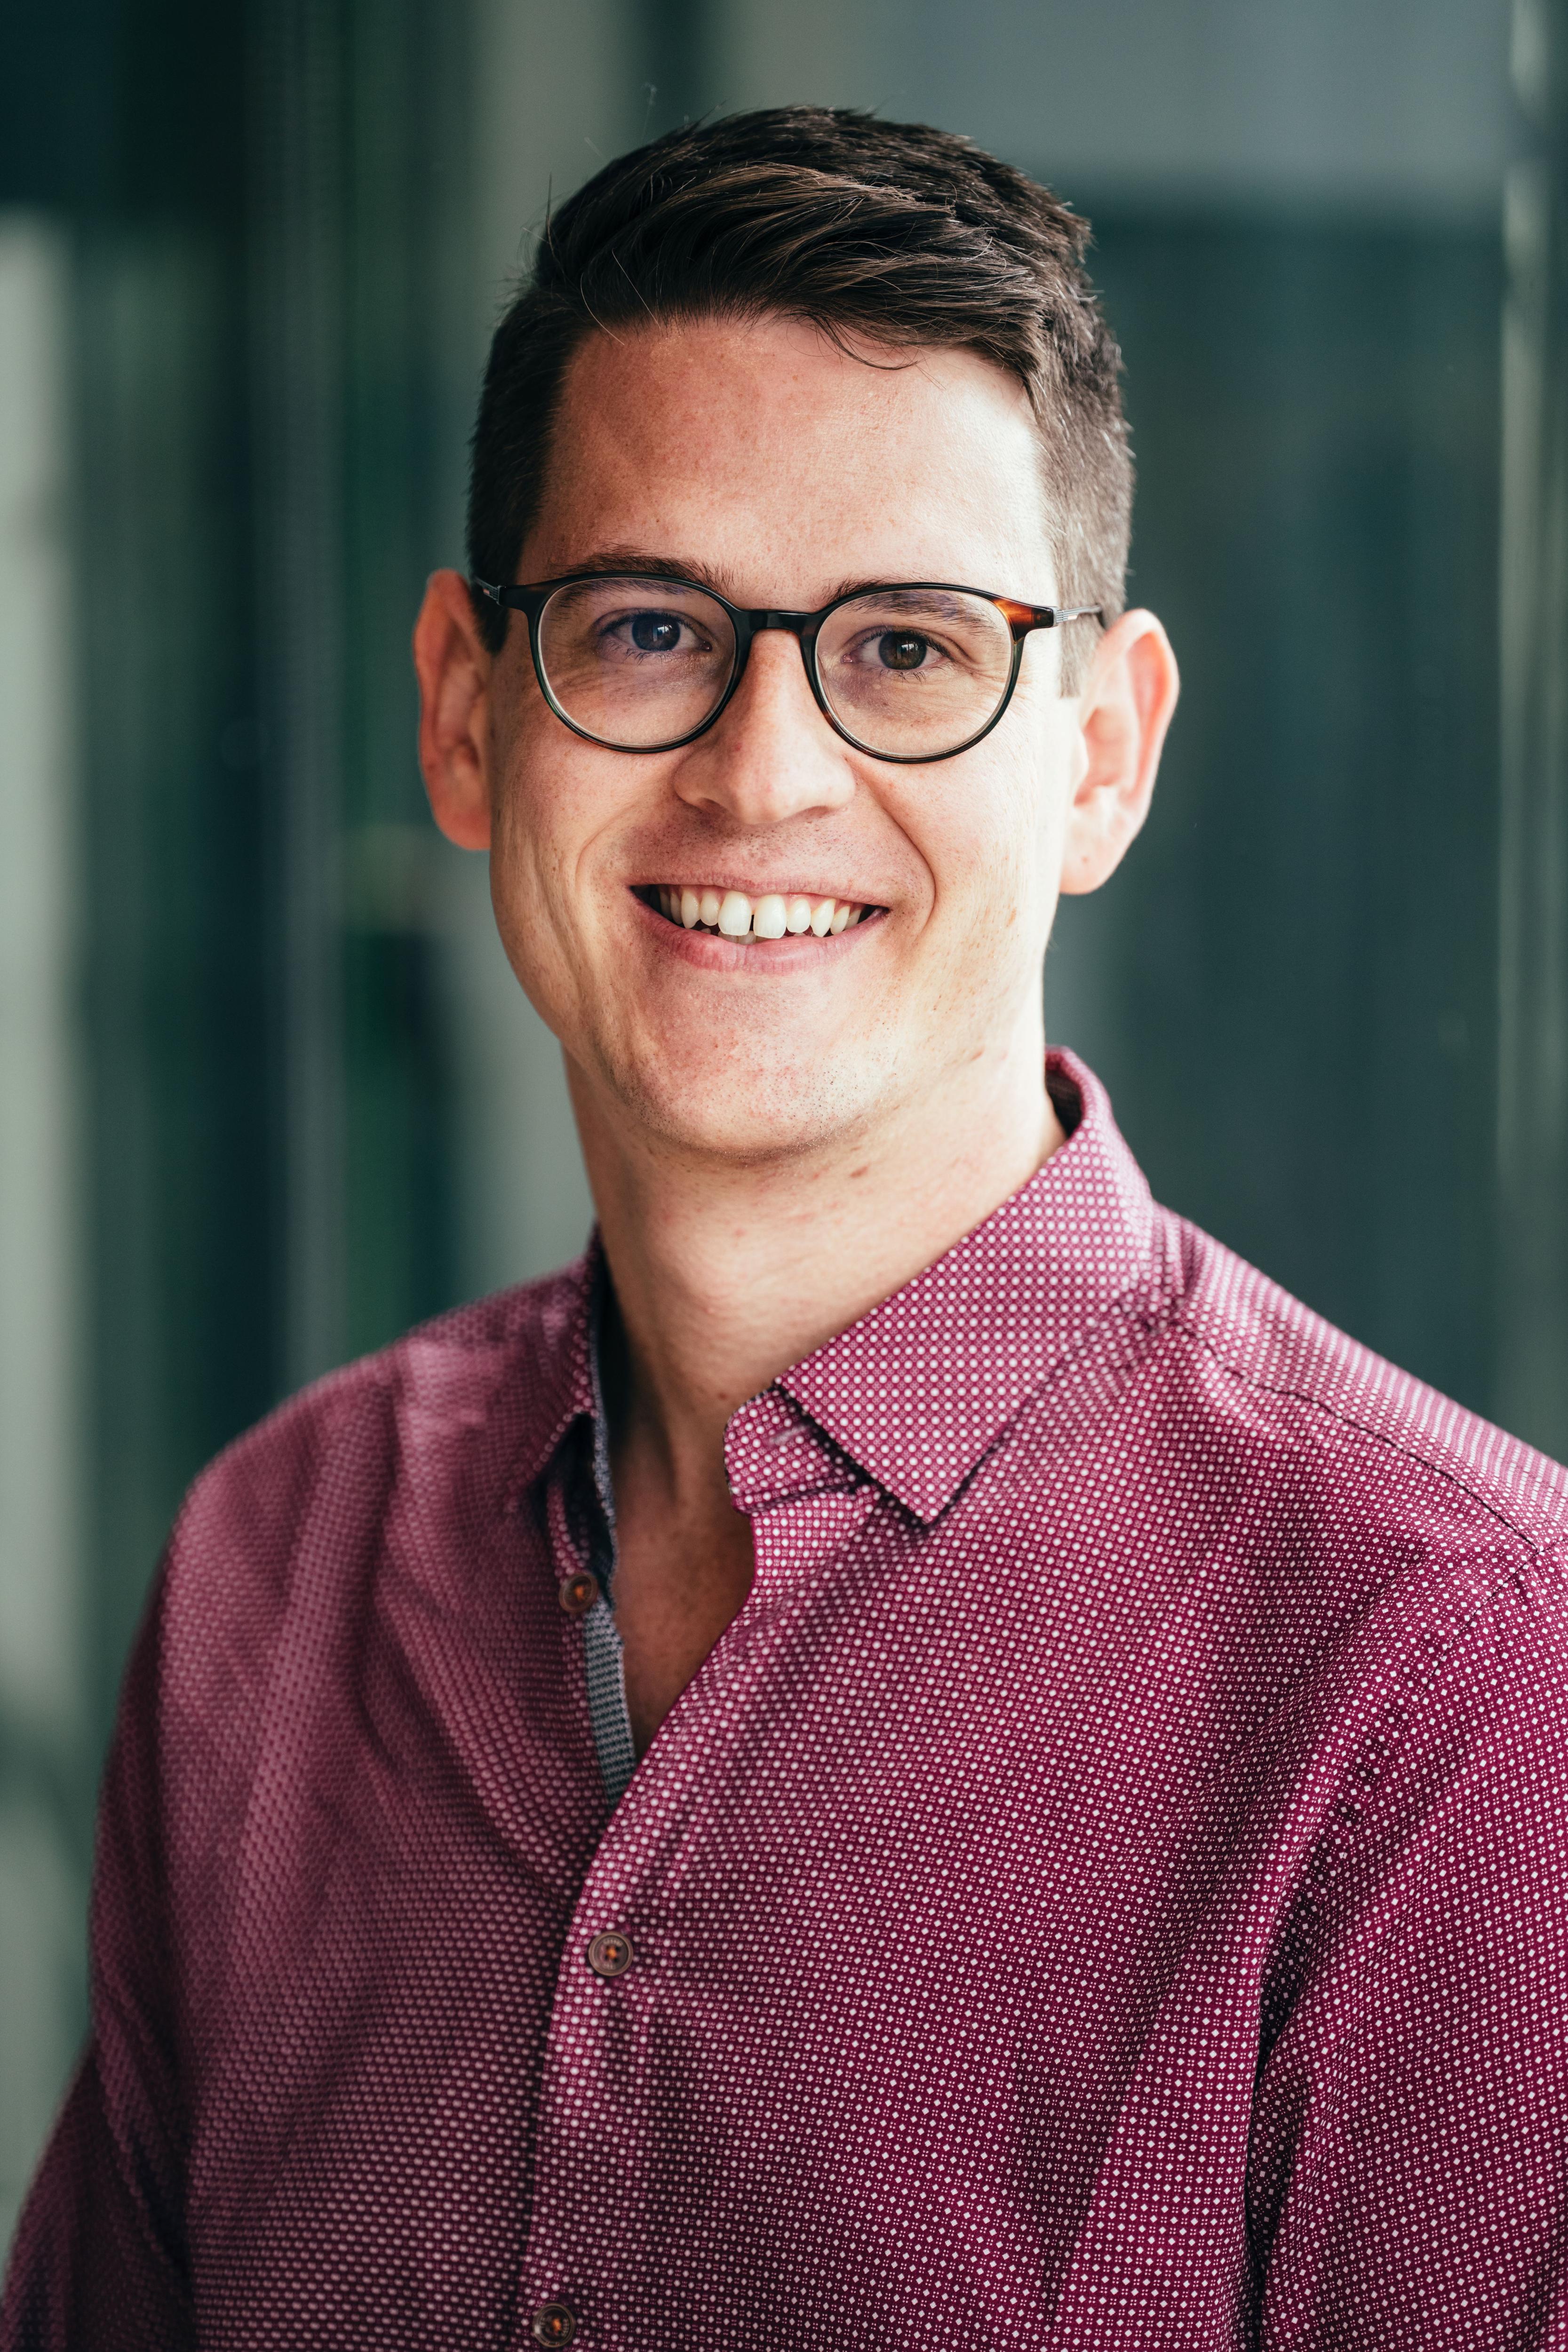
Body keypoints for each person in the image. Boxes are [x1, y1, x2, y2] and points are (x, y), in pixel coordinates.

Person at [5, 103, 1568, 2352]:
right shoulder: (276, 1567)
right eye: (649, 627)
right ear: (466, 713)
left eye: (911, 650)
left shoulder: (1468, 1699)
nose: (763, 770)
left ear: (1104, 755)